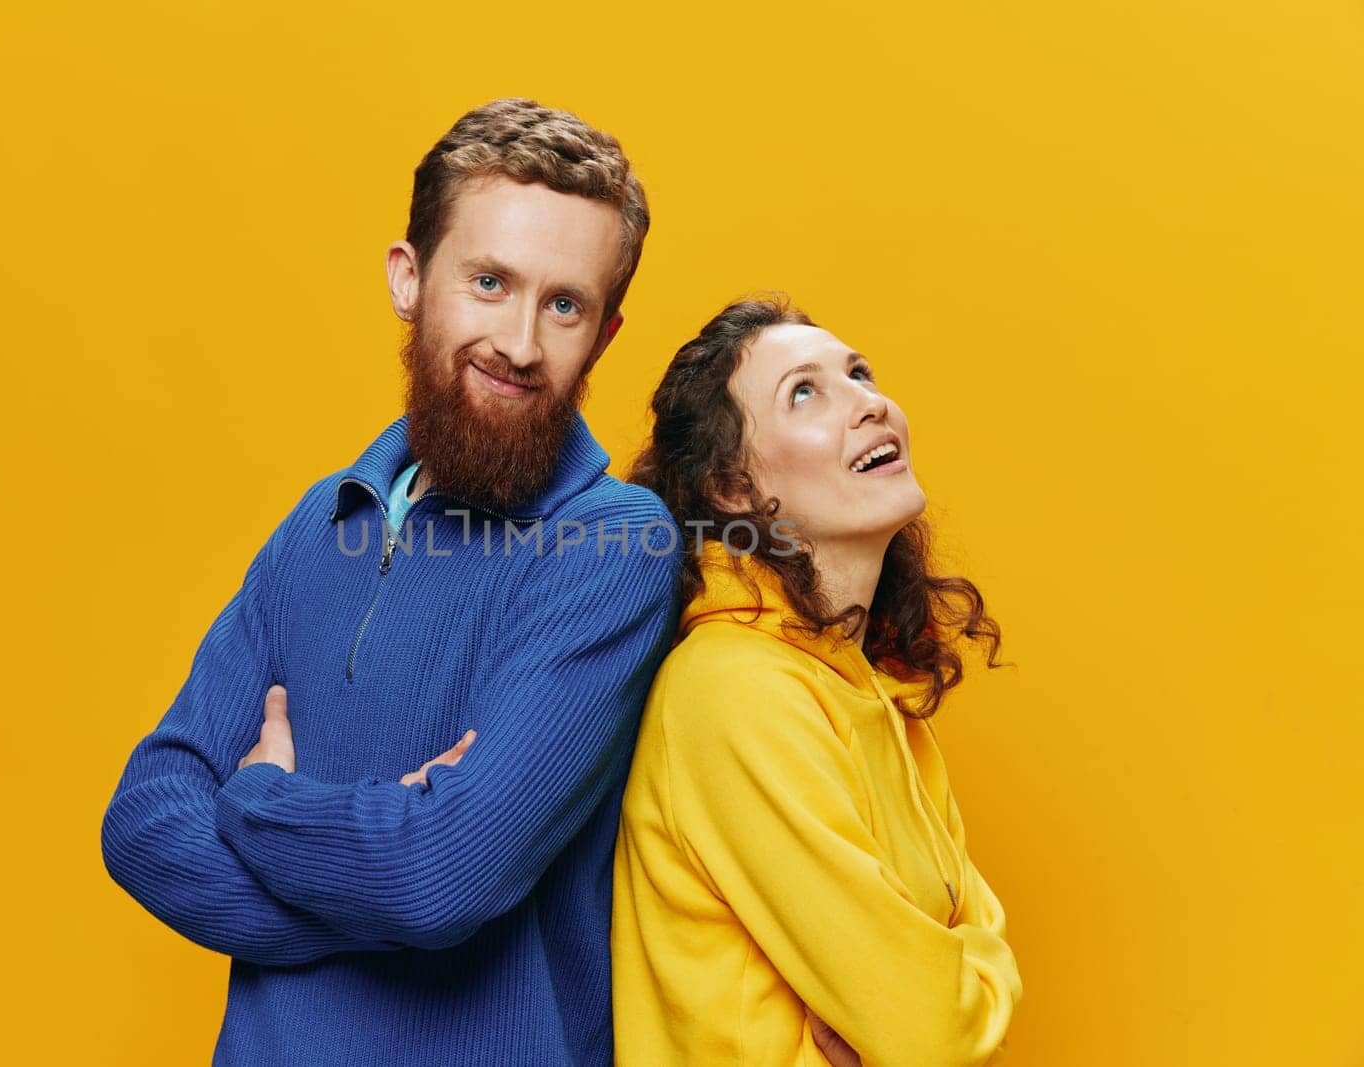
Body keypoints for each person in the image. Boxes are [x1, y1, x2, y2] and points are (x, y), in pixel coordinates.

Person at [100, 98, 682, 1066]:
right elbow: (146, 816)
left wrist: (259, 802)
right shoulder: (323, 517)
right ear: (409, 279)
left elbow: (445, 877)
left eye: (564, 304)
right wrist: (384, 881)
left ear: (605, 334)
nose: (522, 343)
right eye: (489, 282)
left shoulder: (614, 546)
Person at [611, 296, 1024, 1066]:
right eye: (806, 390)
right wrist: (955, 982)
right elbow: (932, 1028)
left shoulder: (882, 699)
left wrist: (961, 984)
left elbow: (957, 992)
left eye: (860, 373)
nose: (870, 403)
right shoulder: (733, 688)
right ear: (733, 489)